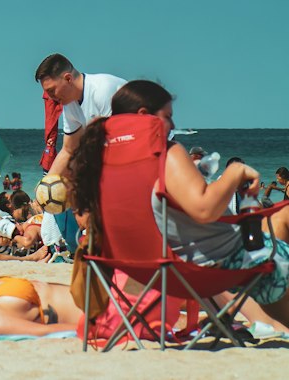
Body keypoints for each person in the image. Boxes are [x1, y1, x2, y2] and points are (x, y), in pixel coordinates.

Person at [67, 79, 289, 330]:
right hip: (199, 269)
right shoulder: (165, 152)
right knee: (276, 251)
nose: (172, 125)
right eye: (168, 116)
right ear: (143, 115)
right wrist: (234, 173)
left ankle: (277, 326)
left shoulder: (100, 159)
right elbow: (204, 209)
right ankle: (281, 326)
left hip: (142, 270)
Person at [34, 54, 126, 176]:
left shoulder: (101, 90)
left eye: (52, 90)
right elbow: (68, 150)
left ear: (68, 79)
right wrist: (46, 184)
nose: (51, 97)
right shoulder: (70, 104)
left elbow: (117, 145)